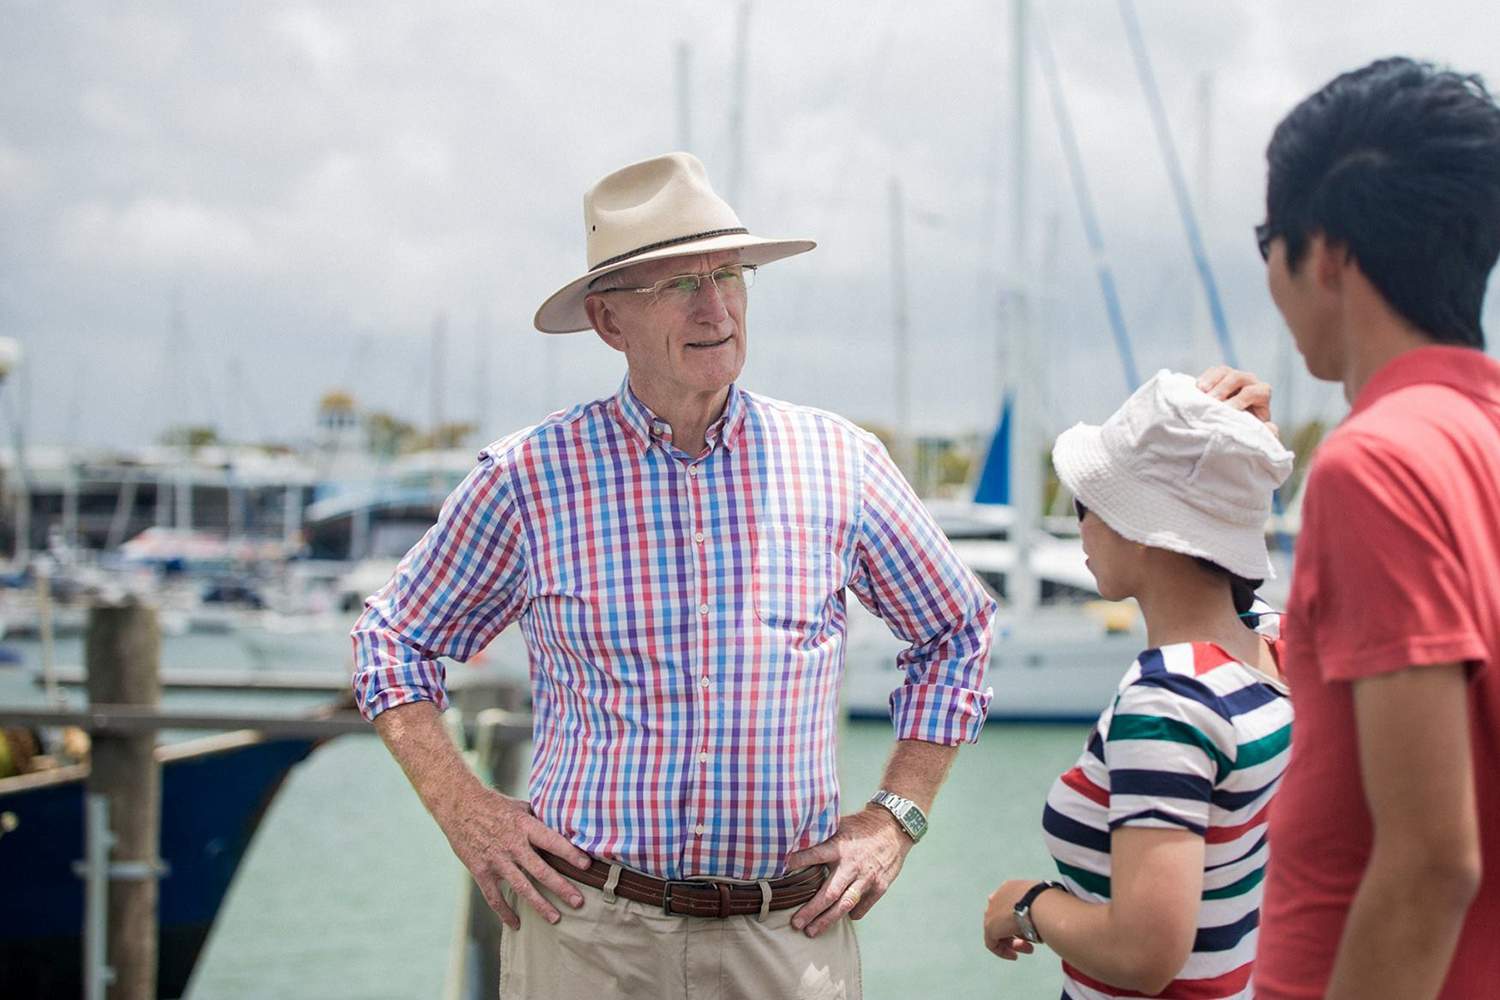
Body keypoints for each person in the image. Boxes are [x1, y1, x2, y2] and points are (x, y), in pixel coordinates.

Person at [349, 151, 999, 1000]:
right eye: (677, 284)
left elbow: (958, 631)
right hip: (587, 937)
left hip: (788, 939)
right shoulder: (528, 476)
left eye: (728, 273)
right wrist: (466, 813)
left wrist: (895, 819)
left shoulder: (841, 463)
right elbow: (390, 644)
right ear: (609, 322)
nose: (714, 305)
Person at [1253, 57, 1500, 1000]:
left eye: (1268, 238)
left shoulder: (1376, 465)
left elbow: (1434, 861)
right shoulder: (1477, 437)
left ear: (1330, 253)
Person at [982, 370, 1295, 999]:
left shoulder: (1170, 703)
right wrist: (1236, 454)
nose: (1081, 529)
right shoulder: (1277, 648)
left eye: (1086, 504)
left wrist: (1026, 904)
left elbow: (1145, 954)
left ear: (1145, 530)